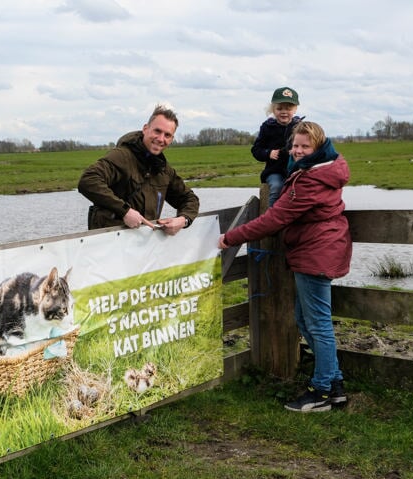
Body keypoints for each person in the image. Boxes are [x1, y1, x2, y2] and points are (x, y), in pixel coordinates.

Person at [218, 120, 351, 412]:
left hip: (316, 253)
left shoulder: (311, 179)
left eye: (305, 146)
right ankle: (335, 384)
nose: (298, 151)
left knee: (317, 325)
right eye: (295, 145)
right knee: (306, 321)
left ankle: (322, 391)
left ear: (318, 147)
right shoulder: (323, 169)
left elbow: (274, 219)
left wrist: (230, 237)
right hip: (318, 249)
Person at [78, 104, 200, 235]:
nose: (161, 139)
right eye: (157, 131)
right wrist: (124, 211)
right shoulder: (122, 156)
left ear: (172, 139)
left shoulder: (163, 170)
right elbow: (88, 180)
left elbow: (189, 199)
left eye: (167, 135)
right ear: (145, 129)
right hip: (109, 243)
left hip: (143, 246)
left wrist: (183, 220)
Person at [251, 87, 303, 207]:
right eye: (279, 108)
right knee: (277, 187)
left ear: (295, 110)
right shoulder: (267, 127)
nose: (284, 112)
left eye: (288, 108)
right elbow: (256, 150)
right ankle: (272, 218)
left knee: (304, 187)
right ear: (273, 110)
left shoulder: (300, 127)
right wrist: (268, 153)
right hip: (275, 171)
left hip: (296, 170)